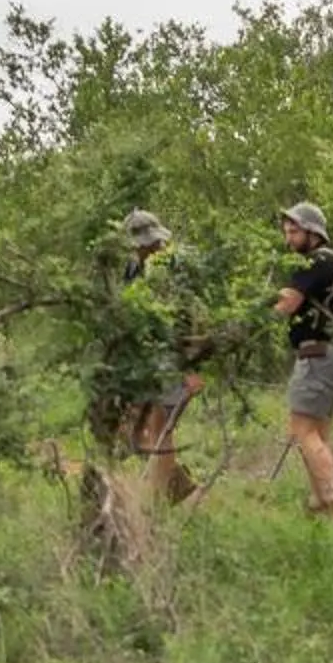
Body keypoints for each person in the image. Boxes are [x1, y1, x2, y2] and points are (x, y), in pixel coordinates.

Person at [88, 208, 202, 505]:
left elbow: (191, 319)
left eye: (151, 243)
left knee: (160, 425)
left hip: (173, 357)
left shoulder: (176, 268)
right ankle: (171, 483)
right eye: (142, 245)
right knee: (143, 425)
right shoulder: (131, 269)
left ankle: (158, 495)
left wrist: (192, 365)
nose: (148, 249)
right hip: (145, 358)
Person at [271, 201, 333, 516]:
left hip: (318, 354)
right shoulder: (332, 263)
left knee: (301, 430)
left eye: (294, 231)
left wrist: (249, 321)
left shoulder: (315, 262)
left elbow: (288, 303)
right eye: (286, 232)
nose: (288, 239)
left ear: (312, 232)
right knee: (317, 434)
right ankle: (319, 502)